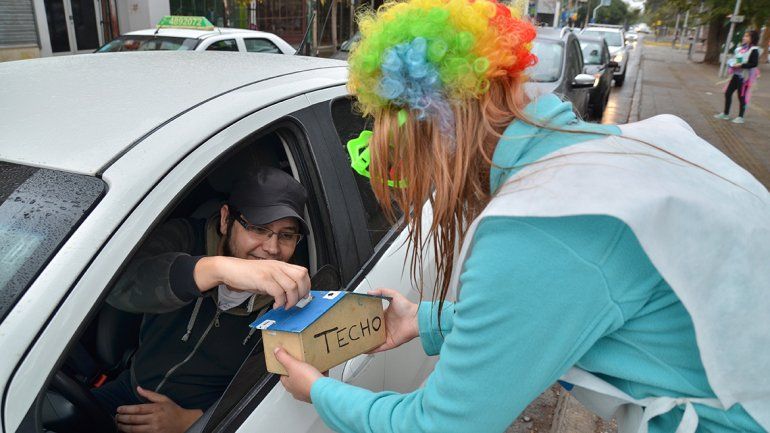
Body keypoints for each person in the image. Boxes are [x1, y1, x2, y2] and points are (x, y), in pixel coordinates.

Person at [272, 1, 770, 433]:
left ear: (428, 128)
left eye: (398, 162)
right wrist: (424, 320)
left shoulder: (543, 219)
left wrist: (319, 392)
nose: (410, 182)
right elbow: (556, 305)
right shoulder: (608, 155)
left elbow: (439, 424)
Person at [93, 166, 311, 433]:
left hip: (207, 421)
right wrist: (216, 270)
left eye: (286, 235)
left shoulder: (293, 299)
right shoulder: (185, 238)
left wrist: (192, 421)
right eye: (258, 228)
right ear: (225, 219)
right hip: (131, 388)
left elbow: (267, 396)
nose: (272, 248)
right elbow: (118, 287)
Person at [715, 30, 760, 124]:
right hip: (735, 76)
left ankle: (740, 117)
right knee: (728, 93)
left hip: (744, 78)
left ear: (752, 38)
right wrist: (732, 63)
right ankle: (726, 114)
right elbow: (735, 59)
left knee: (741, 96)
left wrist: (741, 65)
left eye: (747, 36)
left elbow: (754, 64)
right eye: (744, 36)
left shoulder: (754, 50)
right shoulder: (741, 48)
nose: (744, 37)